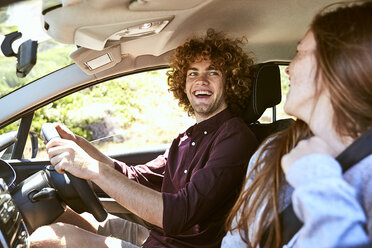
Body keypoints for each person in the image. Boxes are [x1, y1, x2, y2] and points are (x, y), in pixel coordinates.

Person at [29, 29, 259, 248]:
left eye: (213, 72)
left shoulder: (235, 139)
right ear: (184, 84)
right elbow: (135, 177)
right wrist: (82, 146)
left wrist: (90, 168)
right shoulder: (186, 140)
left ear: (229, 83)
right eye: (193, 73)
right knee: (56, 214)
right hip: (160, 238)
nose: (201, 80)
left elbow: (181, 214)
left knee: (46, 240)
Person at [222, 1, 372, 248]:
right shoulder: (272, 150)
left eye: (299, 52)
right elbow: (237, 240)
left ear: (335, 63)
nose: (288, 69)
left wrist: (315, 178)